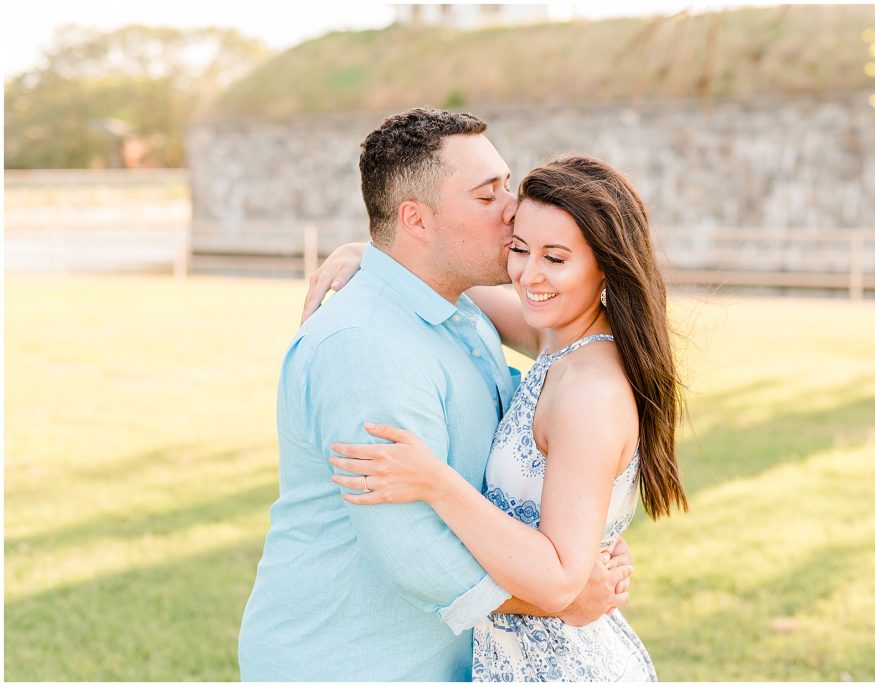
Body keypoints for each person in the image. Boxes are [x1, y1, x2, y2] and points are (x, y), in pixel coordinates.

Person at [237, 108, 633, 682]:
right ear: (417, 221)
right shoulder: (365, 346)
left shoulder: (463, 312)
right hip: (351, 662)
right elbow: (412, 551)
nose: (512, 209)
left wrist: (588, 538)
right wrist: (560, 595)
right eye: (486, 195)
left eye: (506, 185)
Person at [310, 155, 688, 681]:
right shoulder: (560, 337)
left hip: (561, 667)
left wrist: (434, 482)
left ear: (604, 263)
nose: (528, 276)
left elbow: (559, 578)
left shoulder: (588, 391)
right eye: (519, 249)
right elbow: (459, 290)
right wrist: (376, 257)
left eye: (555, 258)